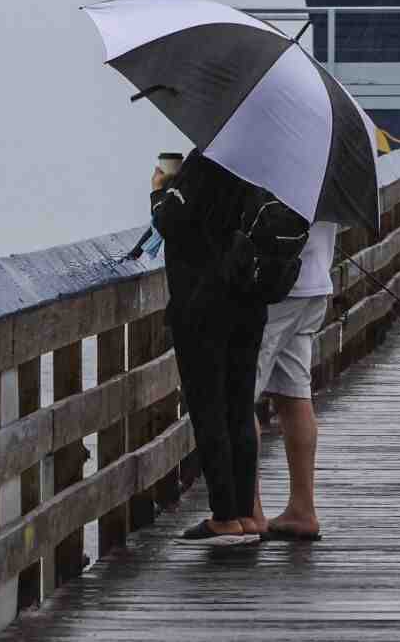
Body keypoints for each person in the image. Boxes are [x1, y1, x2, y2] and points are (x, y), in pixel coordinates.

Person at [150, 152, 266, 546]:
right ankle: (247, 515)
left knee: (208, 408)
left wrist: (161, 189)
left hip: (202, 304)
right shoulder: (266, 166)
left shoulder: (210, 162)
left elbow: (173, 224)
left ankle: (224, 516)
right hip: (250, 303)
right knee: (239, 405)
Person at [249, 220, 338, 542]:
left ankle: (249, 510)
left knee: (239, 397)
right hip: (314, 283)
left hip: (274, 285)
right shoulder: (328, 171)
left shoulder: (277, 169)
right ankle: (302, 509)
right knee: (293, 395)